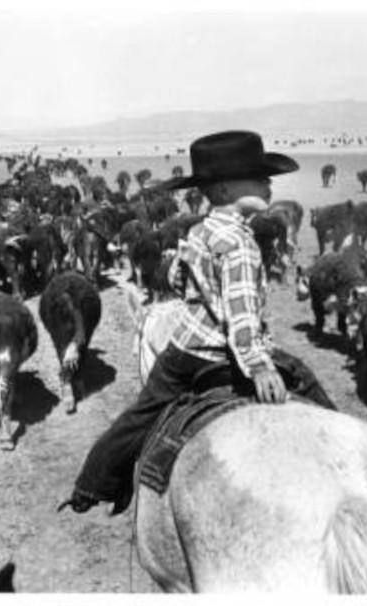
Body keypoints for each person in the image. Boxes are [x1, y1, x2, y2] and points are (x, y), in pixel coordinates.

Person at [58, 130, 300, 515]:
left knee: (141, 415)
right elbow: (242, 315)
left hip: (183, 350)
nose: (268, 183)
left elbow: (176, 279)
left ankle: (93, 483)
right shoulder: (241, 244)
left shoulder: (198, 230)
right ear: (222, 191)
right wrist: (257, 364)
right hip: (224, 354)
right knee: (305, 384)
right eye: (257, 176)